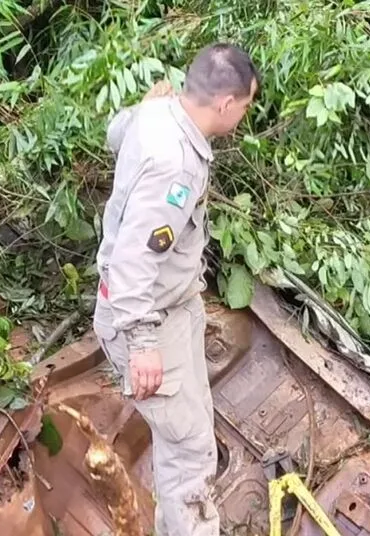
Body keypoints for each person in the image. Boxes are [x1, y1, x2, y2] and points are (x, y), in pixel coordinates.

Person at [92, 43, 259, 536]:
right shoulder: (176, 167)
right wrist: (142, 344)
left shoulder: (157, 110)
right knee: (190, 451)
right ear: (226, 104)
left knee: (188, 432)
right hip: (145, 317)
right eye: (245, 106)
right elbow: (133, 258)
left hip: (175, 305)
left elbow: (113, 133)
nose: (244, 116)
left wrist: (145, 107)